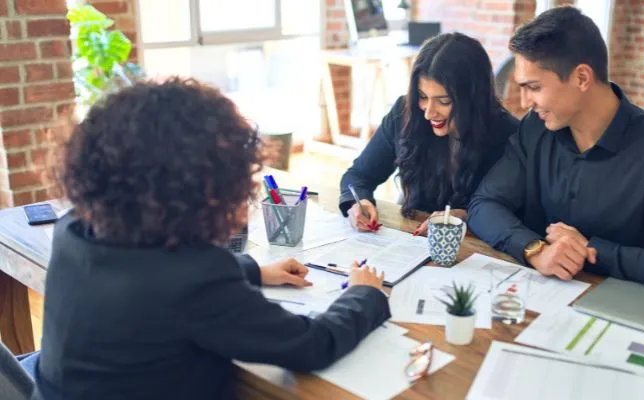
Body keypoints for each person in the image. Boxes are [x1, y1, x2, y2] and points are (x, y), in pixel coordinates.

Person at [35, 78, 391, 400]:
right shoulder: (195, 277)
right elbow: (312, 345)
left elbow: (150, 280)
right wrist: (364, 294)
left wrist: (253, 270)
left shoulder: (75, 229)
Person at [468, 6, 644, 301]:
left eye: (534, 87)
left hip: (630, 311)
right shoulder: (536, 128)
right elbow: (484, 203)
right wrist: (534, 249)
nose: (525, 101)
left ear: (582, 77)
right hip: (540, 301)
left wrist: (593, 251)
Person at [339, 32, 519, 235]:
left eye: (444, 101)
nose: (428, 112)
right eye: (423, 96)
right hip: (413, 242)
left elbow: (514, 214)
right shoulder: (404, 113)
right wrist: (359, 202)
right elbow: (359, 176)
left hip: (475, 248)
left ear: (474, 98)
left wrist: (465, 216)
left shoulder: (509, 135)